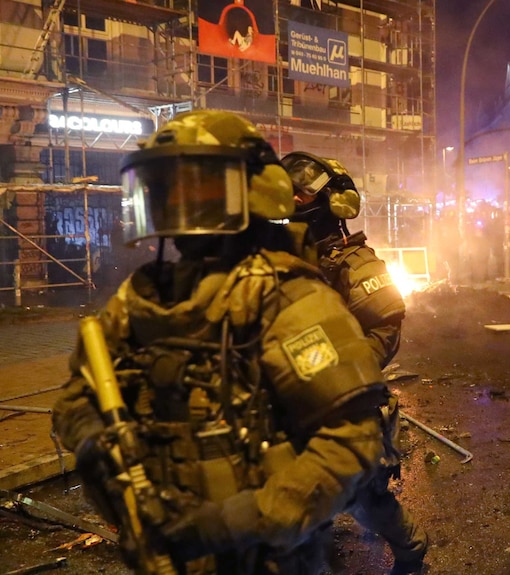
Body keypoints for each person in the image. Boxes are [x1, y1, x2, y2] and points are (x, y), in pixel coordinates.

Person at [52, 110, 393, 575]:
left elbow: (351, 441)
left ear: (251, 193)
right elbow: (77, 399)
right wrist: (104, 460)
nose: (180, 203)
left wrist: (242, 520)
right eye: (167, 190)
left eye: (201, 188)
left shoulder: (286, 295)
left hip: (266, 556)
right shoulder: (143, 299)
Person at [281, 151, 428, 575]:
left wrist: (340, 375)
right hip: (296, 398)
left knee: (367, 500)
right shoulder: (285, 258)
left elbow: (386, 330)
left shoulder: (353, 262)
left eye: (299, 194)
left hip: (344, 401)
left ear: (329, 205)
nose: (289, 201)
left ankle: (412, 550)